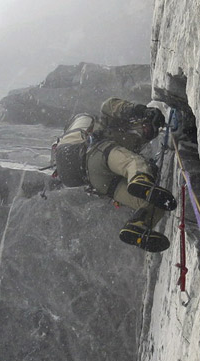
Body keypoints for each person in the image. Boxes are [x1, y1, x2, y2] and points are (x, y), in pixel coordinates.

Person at [51, 97, 177, 252]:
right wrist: (140, 109)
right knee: (134, 163)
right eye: (149, 126)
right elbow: (109, 105)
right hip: (93, 153)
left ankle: (138, 226)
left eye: (153, 132)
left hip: (98, 181)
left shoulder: (135, 144)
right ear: (142, 120)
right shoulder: (112, 123)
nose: (150, 131)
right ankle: (141, 178)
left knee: (154, 203)